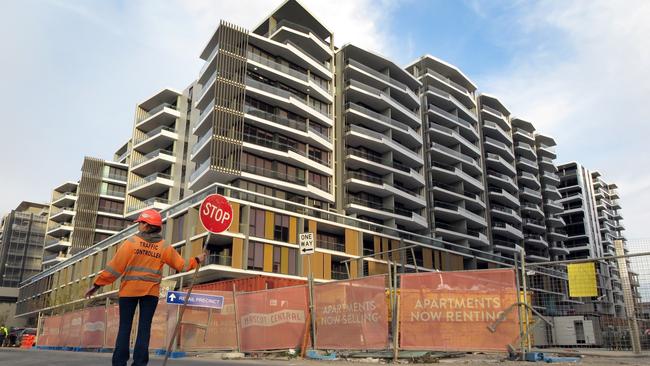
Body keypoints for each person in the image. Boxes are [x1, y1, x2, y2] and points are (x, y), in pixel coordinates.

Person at [85, 209, 206, 366]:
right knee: (144, 329)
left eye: (141, 223)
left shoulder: (131, 243)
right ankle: (140, 363)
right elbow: (182, 266)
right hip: (150, 294)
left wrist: (97, 284)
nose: (139, 226)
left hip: (129, 292)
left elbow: (114, 268)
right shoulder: (163, 247)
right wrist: (196, 259)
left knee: (124, 328)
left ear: (147, 225)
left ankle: (119, 363)